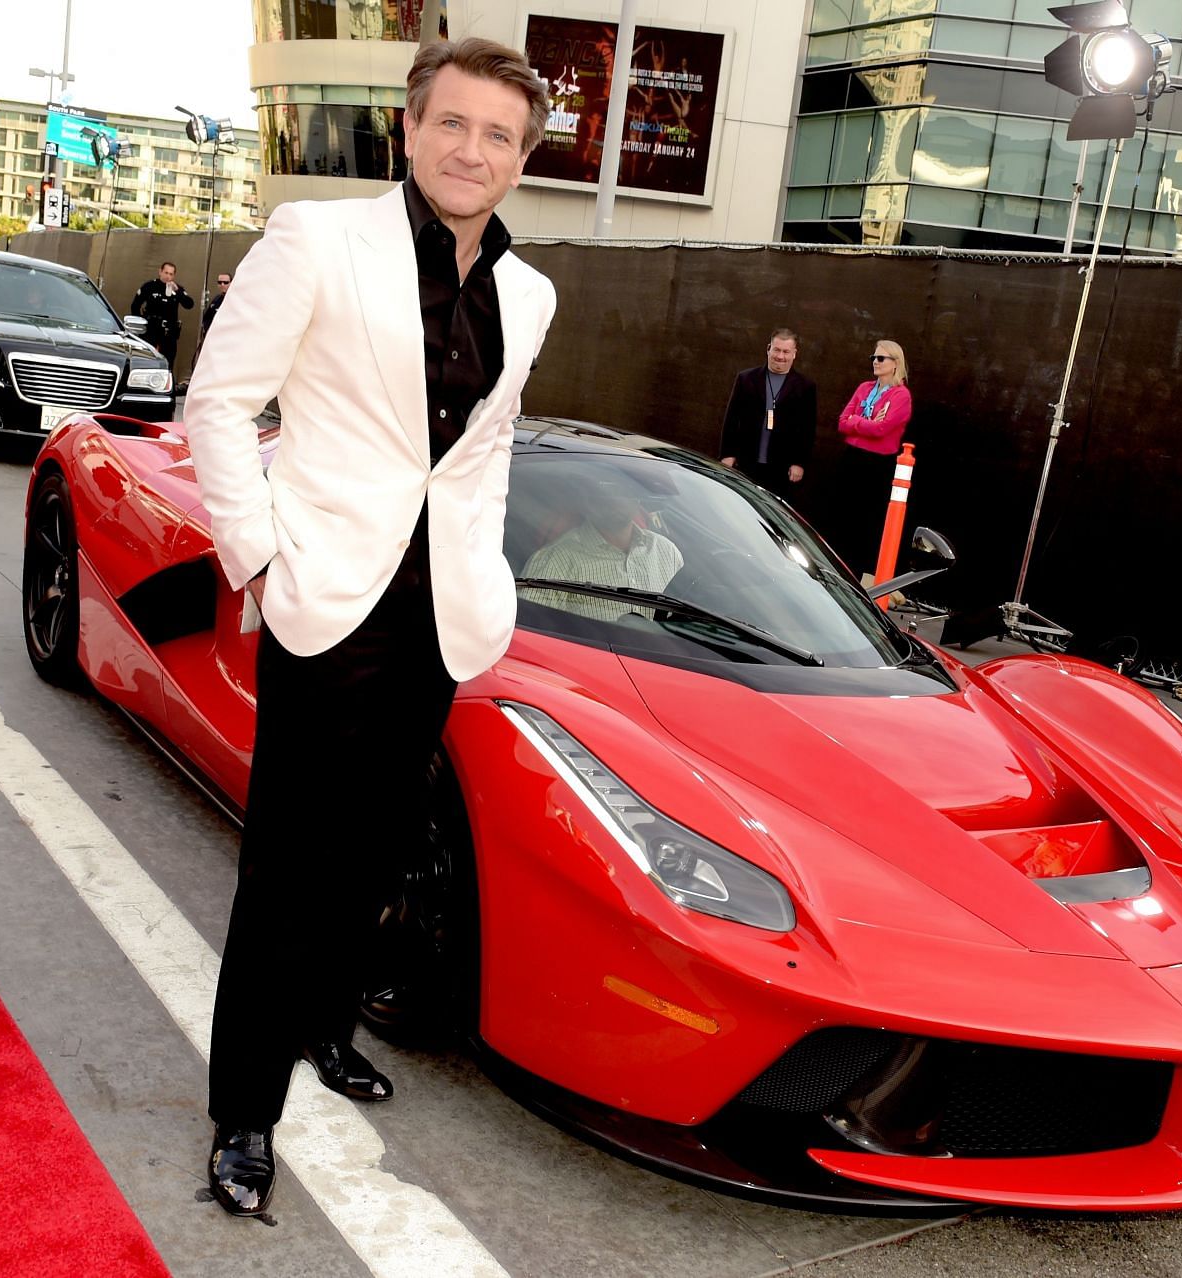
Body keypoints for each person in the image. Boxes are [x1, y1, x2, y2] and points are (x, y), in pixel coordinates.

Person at [182, 36, 555, 1220]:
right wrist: (260, 555)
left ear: (521, 159)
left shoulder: (530, 292)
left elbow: (483, 454)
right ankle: (244, 1110)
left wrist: (482, 577)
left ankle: (322, 1029)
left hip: (437, 615)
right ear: (410, 129)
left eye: (499, 135)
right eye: (454, 124)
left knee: (380, 847)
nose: (473, 150)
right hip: (325, 596)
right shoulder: (318, 239)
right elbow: (221, 403)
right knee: (290, 860)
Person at [521, 479, 684, 621]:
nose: (614, 500)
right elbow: (529, 627)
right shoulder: (555, 560)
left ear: (638, 498)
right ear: (587, 499)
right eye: (603, 490)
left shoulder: (667, 552)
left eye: (623, 491)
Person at [824, 339, 913, 573]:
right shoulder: (865, 388)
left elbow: (882, 430)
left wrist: (858, 422)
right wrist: (865, 423)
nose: (875, 362)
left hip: (875, 465)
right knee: (840, 513)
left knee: (864, 520)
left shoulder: (901, 395)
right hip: (852, 458)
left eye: (881, 358)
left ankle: (855, 571)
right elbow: (843, 422)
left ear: (895, 363)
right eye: (873, 358)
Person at [717, 327, 816, 497]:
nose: (780, 356)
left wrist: (799, 463)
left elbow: (807, 428)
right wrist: (727, 454)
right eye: (776, 349)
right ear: (768, 348)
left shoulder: (805, 387)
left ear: (794, 353)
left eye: (786, 351)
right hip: (745, 461)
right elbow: (731, 418)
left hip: (781, 467)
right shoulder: (746, 379)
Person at [129, 261, 193, 385]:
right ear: (160, 272)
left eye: (171, 274)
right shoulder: (149, 286)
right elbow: (135, 305)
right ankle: (142, 383)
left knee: (168, 360)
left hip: (168, 331)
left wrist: (178, 291)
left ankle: (165, 385)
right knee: (147, 358)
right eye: (166, 273)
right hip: (151, 330)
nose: (168, 276)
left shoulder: (176, 289)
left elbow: (189, 304)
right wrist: (141, 322)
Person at [195, 271, 230, 364]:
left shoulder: (235, 300)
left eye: (225, 282)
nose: (222, 285)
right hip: (215, 339)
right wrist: (208, 331)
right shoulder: (216, 299)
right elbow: (207, 318)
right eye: (220, 282)